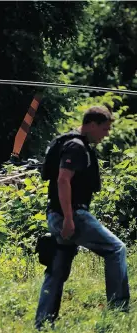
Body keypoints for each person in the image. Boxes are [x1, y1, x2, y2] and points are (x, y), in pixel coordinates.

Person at [34, 106, 130, 330]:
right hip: (72, 214)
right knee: (116, 249)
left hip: (60, 214)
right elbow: (63, 180)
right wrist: (69, 218)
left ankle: (43, 323)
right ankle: (119, 310)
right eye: (104, 129)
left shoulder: (71, 143)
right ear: (92, 125)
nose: (106, 134)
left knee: (57, 269)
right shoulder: (76, 147)